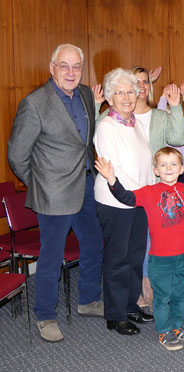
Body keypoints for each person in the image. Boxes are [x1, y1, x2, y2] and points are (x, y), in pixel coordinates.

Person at [7, 43, 104, 342]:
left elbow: (85, 142)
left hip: (87, 186)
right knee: (51, 257)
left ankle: (88, 300)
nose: (71, 72)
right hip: (54, 194)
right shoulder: (34, 103)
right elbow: (17, 154)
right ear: (52, 67)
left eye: (76, 66)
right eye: (64, 66)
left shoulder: (86, 94)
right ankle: (45, 315)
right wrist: (41, 183)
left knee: (94, 244)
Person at [94, 148, 184, 351]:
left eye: (173, 164)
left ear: (182, 169)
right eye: (163, 165)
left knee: (179, 296)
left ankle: (177, 327)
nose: (168, 168)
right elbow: (127, 198)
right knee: (162, 297)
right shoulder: (149, 192)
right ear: (156, 170)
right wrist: (112, 178)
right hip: (161, 260)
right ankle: (164, 330)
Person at [93, 68, 156, 336]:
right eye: (119, 92)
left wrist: (152, 193)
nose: (126, 97)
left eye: (130, 91)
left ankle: (131, 305)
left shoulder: (137, 124)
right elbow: (114, 168)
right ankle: (116, 315)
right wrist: (142, 194)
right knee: (117, 259)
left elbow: (147, 164)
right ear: (109, 96)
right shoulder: (106, 126)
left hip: (140, 202)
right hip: (116, 202)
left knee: (134, 256)